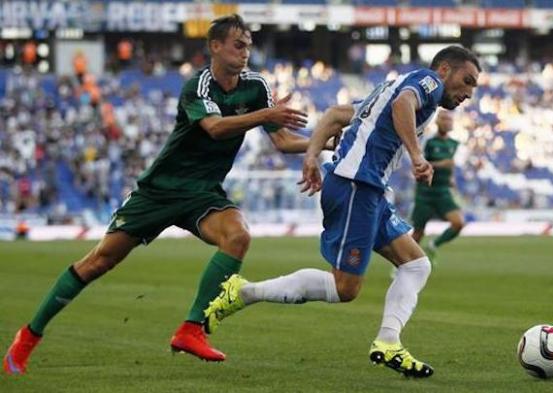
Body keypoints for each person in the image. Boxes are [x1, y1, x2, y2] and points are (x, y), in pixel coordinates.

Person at [3, 14, 319, 375]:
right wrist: (265, 114)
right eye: (238, 44)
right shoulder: (197, 86)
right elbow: (214, 128)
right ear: (215, 46)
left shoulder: (256, 87)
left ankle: (190, 330)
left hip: (202, 194)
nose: (245, 52)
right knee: (98, 262)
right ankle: (28, 337)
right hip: (159, 191)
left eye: (248, 45)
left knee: (238, 236)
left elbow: (281, 142)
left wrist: (321, 144)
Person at [203, 46, 481, 378]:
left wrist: (311, 156)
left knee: (416, 264)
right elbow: (403, 104)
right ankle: (244, 292)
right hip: (355, 185)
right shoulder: (427, 83)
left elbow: (336, 114)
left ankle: (388, 341)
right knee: (344, 288)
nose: (468, 93)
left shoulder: (395, 87)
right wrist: (417, 155)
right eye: (467, 81)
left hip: (368, 190)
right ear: (446, 70)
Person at [409, 111, 464, 262]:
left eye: (449, 119)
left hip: (443, 192)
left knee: (458, 223)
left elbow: (451, 166)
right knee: (418, 233)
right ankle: (402, 263)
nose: (447, 122)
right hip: (425, 193)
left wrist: (451, 178)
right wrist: (441, 164)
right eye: (444, 119)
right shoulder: (428, 142)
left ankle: (433, 245)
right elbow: (418, 165)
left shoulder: (454, 144)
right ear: (437, 122)